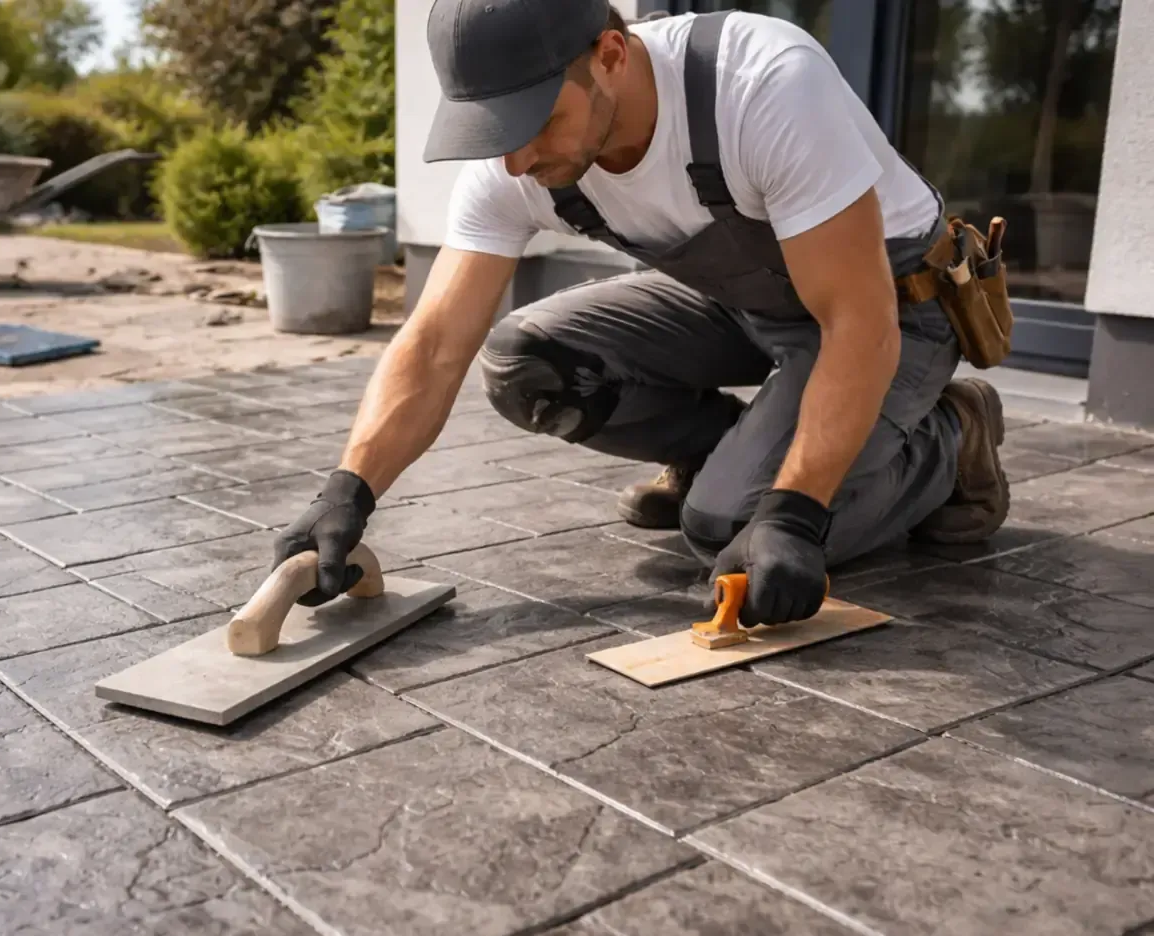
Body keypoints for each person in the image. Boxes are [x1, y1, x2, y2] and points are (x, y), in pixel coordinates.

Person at [272, 0, 1010, 628]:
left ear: (611, 56)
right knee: (528, 366)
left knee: (732, 528)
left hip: (891, 309)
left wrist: (793, 513)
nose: (516, 160)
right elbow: (436, 342)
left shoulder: (763, 84)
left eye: (535, 121)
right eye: (494, 130)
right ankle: (733, 455)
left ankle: (950, 438)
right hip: (741, 302)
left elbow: (857, 321)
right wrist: (348, 491)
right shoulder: (515, 160)